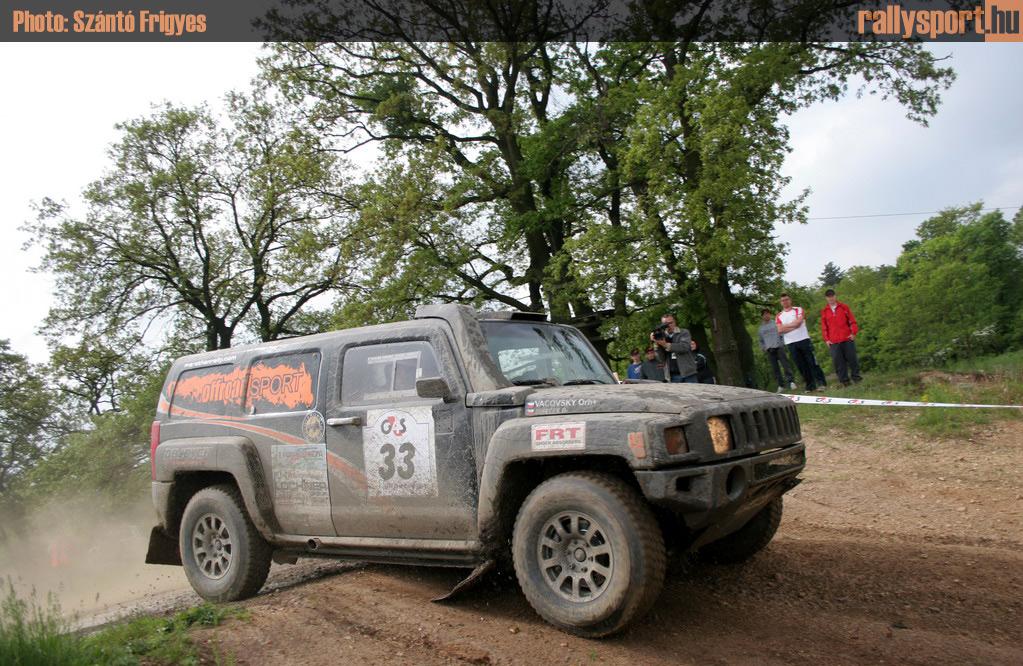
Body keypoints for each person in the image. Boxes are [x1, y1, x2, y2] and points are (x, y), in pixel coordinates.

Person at [820, 288, 862, 386]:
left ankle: (857, 378)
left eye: (832, 296)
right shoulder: (824, 311)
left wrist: (853, 333)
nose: (831, 298)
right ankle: (845, 381)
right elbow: (824, 327)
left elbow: (852, 321)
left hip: (847, 338)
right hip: (834, 341)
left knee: (852, 359)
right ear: (826, 298)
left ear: (835, 296)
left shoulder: (844, 307)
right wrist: (827, 339)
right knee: (839, 363)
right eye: (828, 297)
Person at [776, 294, 817, 391]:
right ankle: (810, 385)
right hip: (791, 343)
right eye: (783, 300)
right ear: (781, 303)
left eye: (786, 299)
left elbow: (798, 323)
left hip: (803, 339)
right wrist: (793, 325)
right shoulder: (779, 316)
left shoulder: (798, 309)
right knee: (801, 365)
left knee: (811, 362)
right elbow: (780, 330)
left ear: (790, 300)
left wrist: (786, 326)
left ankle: (820, 382)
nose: (785, 302)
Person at [757, 308, 797, 392]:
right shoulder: (761, 328)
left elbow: (782, 333)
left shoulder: (775, 323)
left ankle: (791, 382)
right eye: (764, 314)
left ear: (770, 314)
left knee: (785, 365)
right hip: (769, 350)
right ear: (762, 316)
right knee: (775, 369)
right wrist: (764, 348)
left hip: (779, 347)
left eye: (768, 313)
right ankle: (781, 385)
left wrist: (782, 344)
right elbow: (760, 340)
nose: (766, 315)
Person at [651, 313, 698, 383]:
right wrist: (656, 343)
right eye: (665, 324)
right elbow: (661, 359)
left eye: (670, 323)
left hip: (688, 373)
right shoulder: (661, 337)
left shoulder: (683, 332)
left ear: (675, 322)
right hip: (673, 375)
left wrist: (666, 345)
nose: (668, 326)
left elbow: (684, 347)